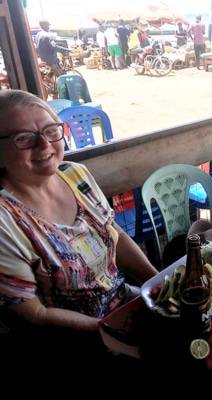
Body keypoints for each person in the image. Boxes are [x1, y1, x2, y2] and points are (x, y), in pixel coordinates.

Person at [0, 90, 160, 387]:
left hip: (125, 307)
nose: (45, 144)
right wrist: (112, 331)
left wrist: (158, 286)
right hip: (73, 348)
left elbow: (117, 236)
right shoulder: (5, 219)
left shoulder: (76, 174)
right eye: (23, 137)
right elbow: (34, 314)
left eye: (51, 130)